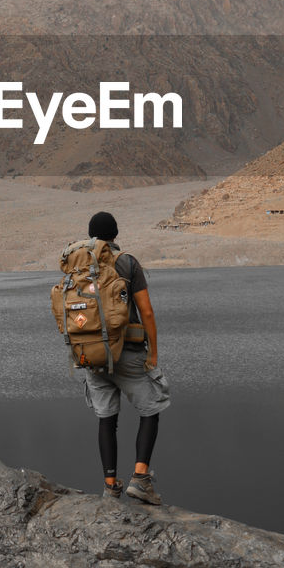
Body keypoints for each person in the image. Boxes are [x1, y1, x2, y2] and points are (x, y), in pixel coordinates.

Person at [80, 210, 170, 504]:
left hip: (92, 356)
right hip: (128, 354)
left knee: (106, 419)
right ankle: (140, 478)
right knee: (151, 409)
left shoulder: (80, 265)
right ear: (115, 235)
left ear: (91, 236)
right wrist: (153, 353)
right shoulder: (128, 263)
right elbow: (146, 311)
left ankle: (109, 485)